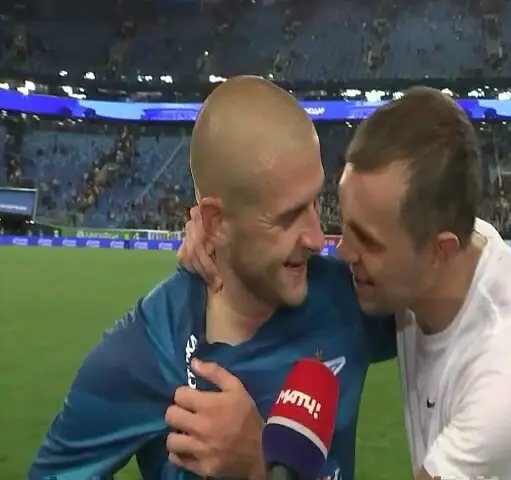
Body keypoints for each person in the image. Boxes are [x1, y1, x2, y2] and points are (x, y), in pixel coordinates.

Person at [180, 87, 511, 479]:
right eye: (346, 225)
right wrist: (227, 236)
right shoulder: (442, 262)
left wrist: (258, 467)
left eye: (368, 240)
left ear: (439, 252)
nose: (342, 251)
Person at [29, 76, 395, 480]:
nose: (315, 237)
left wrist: (256, 467)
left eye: (314, 203)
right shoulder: (144, 354)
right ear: (216, 222)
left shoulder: (349, 298)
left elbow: (446, 259)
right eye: (287, 217)